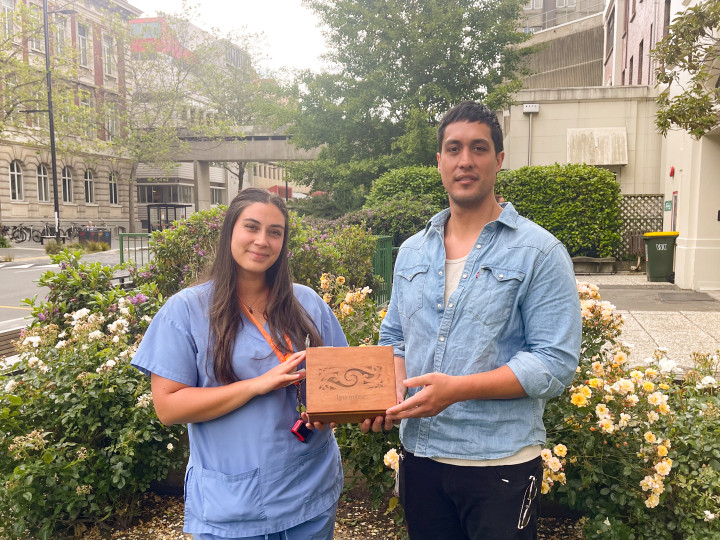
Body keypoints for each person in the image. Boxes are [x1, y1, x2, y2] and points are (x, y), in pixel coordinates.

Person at [365, 101, 582, 539]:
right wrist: (387, 395)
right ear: (439, 161)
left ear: (499, 160)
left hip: (498, 464)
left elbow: (554, 363)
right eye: (454, 148)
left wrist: (456, 391)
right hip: (421, 458)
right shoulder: (412, 251)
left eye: (479, 148)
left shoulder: (539, 251)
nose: (466, 160)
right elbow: (394, 339)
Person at [131, 188, 348, 539]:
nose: (262, 240)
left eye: (275, 232)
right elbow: (168, 406)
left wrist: (330, 415)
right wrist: (256, 385)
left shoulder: (306, 302)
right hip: (231, 507)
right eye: (251, 227)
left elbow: (339, 385)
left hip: (311, 494)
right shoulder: (186, 310)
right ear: (230, 231)